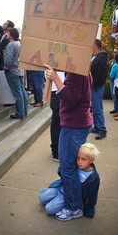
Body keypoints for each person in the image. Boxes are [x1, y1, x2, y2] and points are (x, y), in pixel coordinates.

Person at [44, 64, 93, 221]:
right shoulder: (80, 68)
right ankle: (71, 196)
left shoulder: (76, 71)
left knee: (67, 168)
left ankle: (74, 207)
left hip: (74, 126)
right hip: (77, 124)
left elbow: (71, 99)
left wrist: (56, 79)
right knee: (68, 167)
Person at [39, 142, 100, 219]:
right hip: (61, 188)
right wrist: (64, 166)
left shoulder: (93, 177)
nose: (79, 162)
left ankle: (71, 209)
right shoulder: (75, 165)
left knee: (49, 209)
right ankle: (55, 199)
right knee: (42, 197)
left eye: (84, 159)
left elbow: (93, 194)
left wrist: (89, 209)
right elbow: (61, 173)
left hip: (70, 196)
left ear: (91, 160)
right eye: (78, 158)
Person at [3, 28, 28, 119]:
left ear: (11, 35)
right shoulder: (19, 43)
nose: (6, 34)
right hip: (19, 70)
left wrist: (7, 67)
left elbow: (7, 61)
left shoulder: (11, 44)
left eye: (7, 33)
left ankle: (19, 113)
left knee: (17, 93)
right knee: (21, 92)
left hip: (12, 71)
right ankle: (24, 111)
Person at [90, 39, 108, 140]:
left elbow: (100, 75)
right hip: (95, 86)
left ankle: (102, 129)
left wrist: (93, 85)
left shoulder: (100, 59)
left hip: (96, 87)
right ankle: (97, 127)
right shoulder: (97, 57)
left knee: (97, 109)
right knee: (95, 108)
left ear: (95, 46)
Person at [50, 71, 65, 162]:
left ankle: (56, 148)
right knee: (57, 122)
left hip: (63, 88)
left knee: (59, 122)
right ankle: (56, 151)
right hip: (57, 90)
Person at [109, 47, 118, 114]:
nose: (114, 53)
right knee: (113, 95)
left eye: (115, 52)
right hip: (112, 81)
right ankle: (116, 108)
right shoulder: (113, 60)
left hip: (117, 81)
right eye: (113, 52)